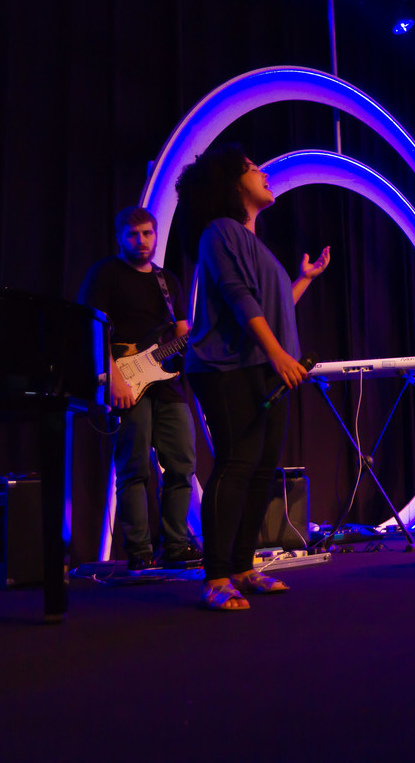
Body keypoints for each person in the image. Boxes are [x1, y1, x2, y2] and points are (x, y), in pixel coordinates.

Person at [177, 143, 330, 610]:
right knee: (236, 464)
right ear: (229, 183)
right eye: (250, 168)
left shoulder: (253, 243)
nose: (263, 171)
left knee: (262, 469)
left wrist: (303, 280)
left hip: (262, 366)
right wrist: (281, 356)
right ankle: (216, 577)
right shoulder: (219, 231)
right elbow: (241, 301)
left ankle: (243, 567)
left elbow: (272, 308)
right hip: (226, 369)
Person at [79, 206, 200, 572]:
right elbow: (89, 326)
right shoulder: (105, 274)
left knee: (182, 463)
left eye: (147, 233)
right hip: (125, 380)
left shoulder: (168, 281)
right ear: (119, 237)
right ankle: (139, 550)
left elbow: (181, 332)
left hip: (165, 382)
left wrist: (203, 333)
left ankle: (176, 544)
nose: (142, 241)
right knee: (134, 470)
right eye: (133, 235)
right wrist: (113, 377)